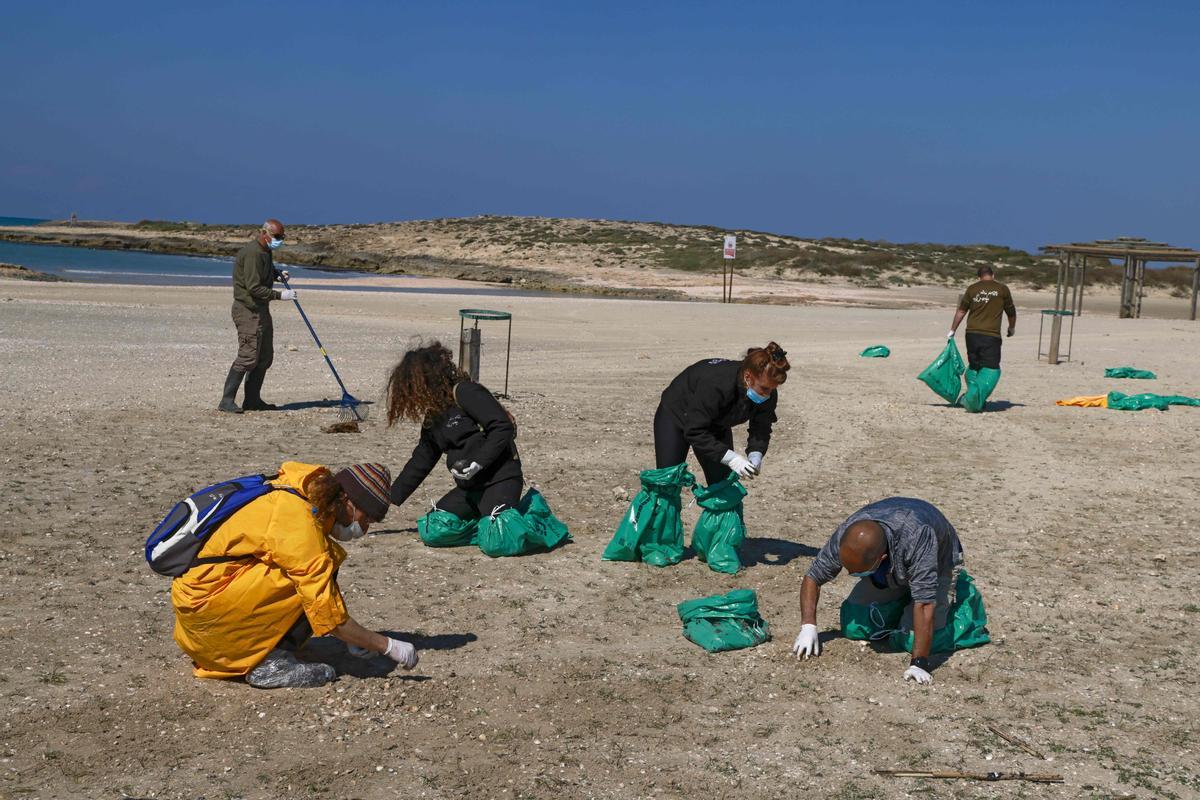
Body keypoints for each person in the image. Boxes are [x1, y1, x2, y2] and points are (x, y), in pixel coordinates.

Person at [172, 461, 418, 688]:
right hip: (211, 627)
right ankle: (268, 663)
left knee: (316, 569)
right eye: (366, 519)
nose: (363, 530)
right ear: (347, 500)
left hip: (199, 623)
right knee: (315, 572)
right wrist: (386, 646)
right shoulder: (299, 522)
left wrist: (354, 637)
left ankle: (266, 648)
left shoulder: (296, 494)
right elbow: (326, 612)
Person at [792, 497, 964, 685]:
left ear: (881, 558)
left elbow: (924, 603)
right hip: (893, 566)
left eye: (858, 571)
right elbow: (813, 577)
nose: (851, 574)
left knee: (914, 639)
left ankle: (960, 603)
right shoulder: (848, 534)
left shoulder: (918, 536)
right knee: (854, 624)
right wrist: (808, 626)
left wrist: (919, 662)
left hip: (939, 562)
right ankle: (904, 598)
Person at [386, 342, 522, 520]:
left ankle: (531, 518)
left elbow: (502, 426)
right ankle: (480, 523)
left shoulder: (465, 392)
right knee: (434, 527)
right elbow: (423, 459)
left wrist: (478, 462)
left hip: (500, 480)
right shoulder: (433, 415)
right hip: (469, 489)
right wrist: (389, 498)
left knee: (498, 537)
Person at [654, 342, 789, 485]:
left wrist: (756, 453)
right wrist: (731, 458)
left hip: (716, 424)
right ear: (748, 377)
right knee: (666, 482)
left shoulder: (767, 392)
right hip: (677, 415)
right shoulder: (717, 384)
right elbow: (695, 430)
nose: (767, 394)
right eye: (764, 388)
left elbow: (761, 426)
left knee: (723, 487)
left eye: (772, 389)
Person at [218, 219, 296, 413]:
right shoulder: (253, 253)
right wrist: (280, 295)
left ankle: (252, 400)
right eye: (277, 237)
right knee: (248, 356)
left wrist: (275, 275)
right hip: (248, 310)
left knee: (264, 357)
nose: (280, 240)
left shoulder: (265, 251)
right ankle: (226, 401)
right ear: (265, 234)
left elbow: (260, 276)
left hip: (261, 310)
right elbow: (253, 287)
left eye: (282, 237)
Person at [948, 265, 1016, 374]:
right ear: (993, 275)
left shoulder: (972, 288)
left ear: (979, 277)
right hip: (991, 335)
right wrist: (1011, 328)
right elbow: (1011, 312)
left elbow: (961, 311)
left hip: (971, 334)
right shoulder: (1002, 289)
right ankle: (977, 391)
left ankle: (973, 388)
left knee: (974, 367)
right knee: (991, 369)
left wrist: (952, 330)